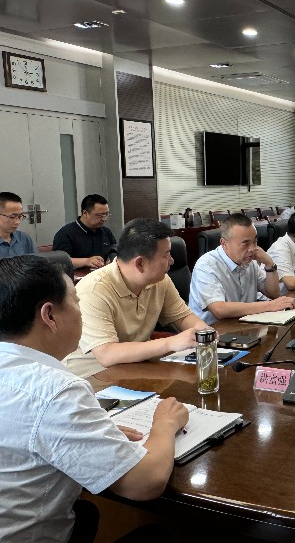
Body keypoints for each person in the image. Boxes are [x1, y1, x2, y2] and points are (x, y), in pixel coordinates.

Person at [0, 255, 189, 542]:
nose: (81, 313)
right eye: (76, 302)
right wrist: (164, 423)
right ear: (49, 316)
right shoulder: (56, 391)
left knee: (86, 513)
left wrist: (90, 430)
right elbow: (144, 483)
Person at [62, 218, 209, 378]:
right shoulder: (94, 290)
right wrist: (171, 343)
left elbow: (183, 317)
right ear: (140, 263)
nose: (172, 261)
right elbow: (106, 354)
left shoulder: (160, 281)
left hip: (135, 368)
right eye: (166, 255)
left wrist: (206, 333)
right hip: (93, 377)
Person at [189, 214, 295, 325]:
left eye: (255, 241)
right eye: (245, 243)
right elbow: (219, 309)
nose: (252, 249)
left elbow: (273, 294)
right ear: (224, 243)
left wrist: (269, 264)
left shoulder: (250, 261)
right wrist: (270, 305)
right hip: (212, 330)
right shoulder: (206, 265)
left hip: (243, 324)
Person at [53, 194, 116, 269]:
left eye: (106, 214)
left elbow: (114, 250)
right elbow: (59, 261)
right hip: (77, 274)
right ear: (85, 213)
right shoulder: (65, 233)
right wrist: (86, 261)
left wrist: (113, 259)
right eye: (99, 215)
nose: (104, 219)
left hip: (102, 273)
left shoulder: (106, 231)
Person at [0, 191, 35, 258]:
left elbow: (35, 262)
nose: (17, 222)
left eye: (20, 216)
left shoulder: (24, 238)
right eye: (12, 217)